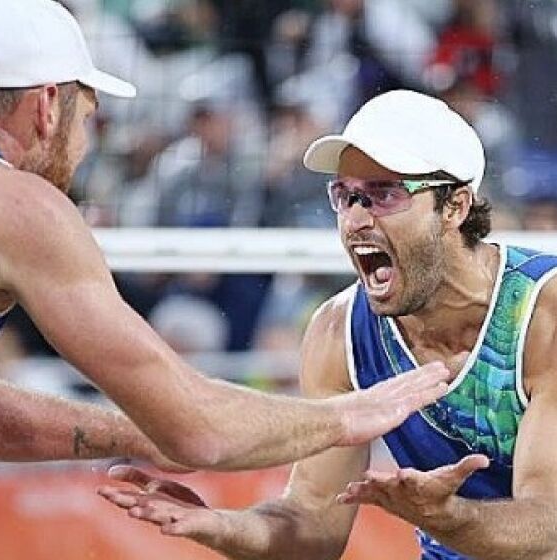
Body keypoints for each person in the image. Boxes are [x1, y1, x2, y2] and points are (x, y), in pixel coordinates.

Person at [0, 0, 451, 556]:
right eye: (90, 113)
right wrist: (347, 417)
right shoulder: (13, 203)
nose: (87, 140)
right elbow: (199, 429)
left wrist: (126, 433)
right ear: (48, 104)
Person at [100, 89, 557, 560]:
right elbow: (313, 525)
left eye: (383, 194)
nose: (355, 220)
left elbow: (547, 524)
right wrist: (218, 526)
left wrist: (448, 517)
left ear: (455, 207)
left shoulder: (544, 310)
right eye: (346, 195)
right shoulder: (338, 331)